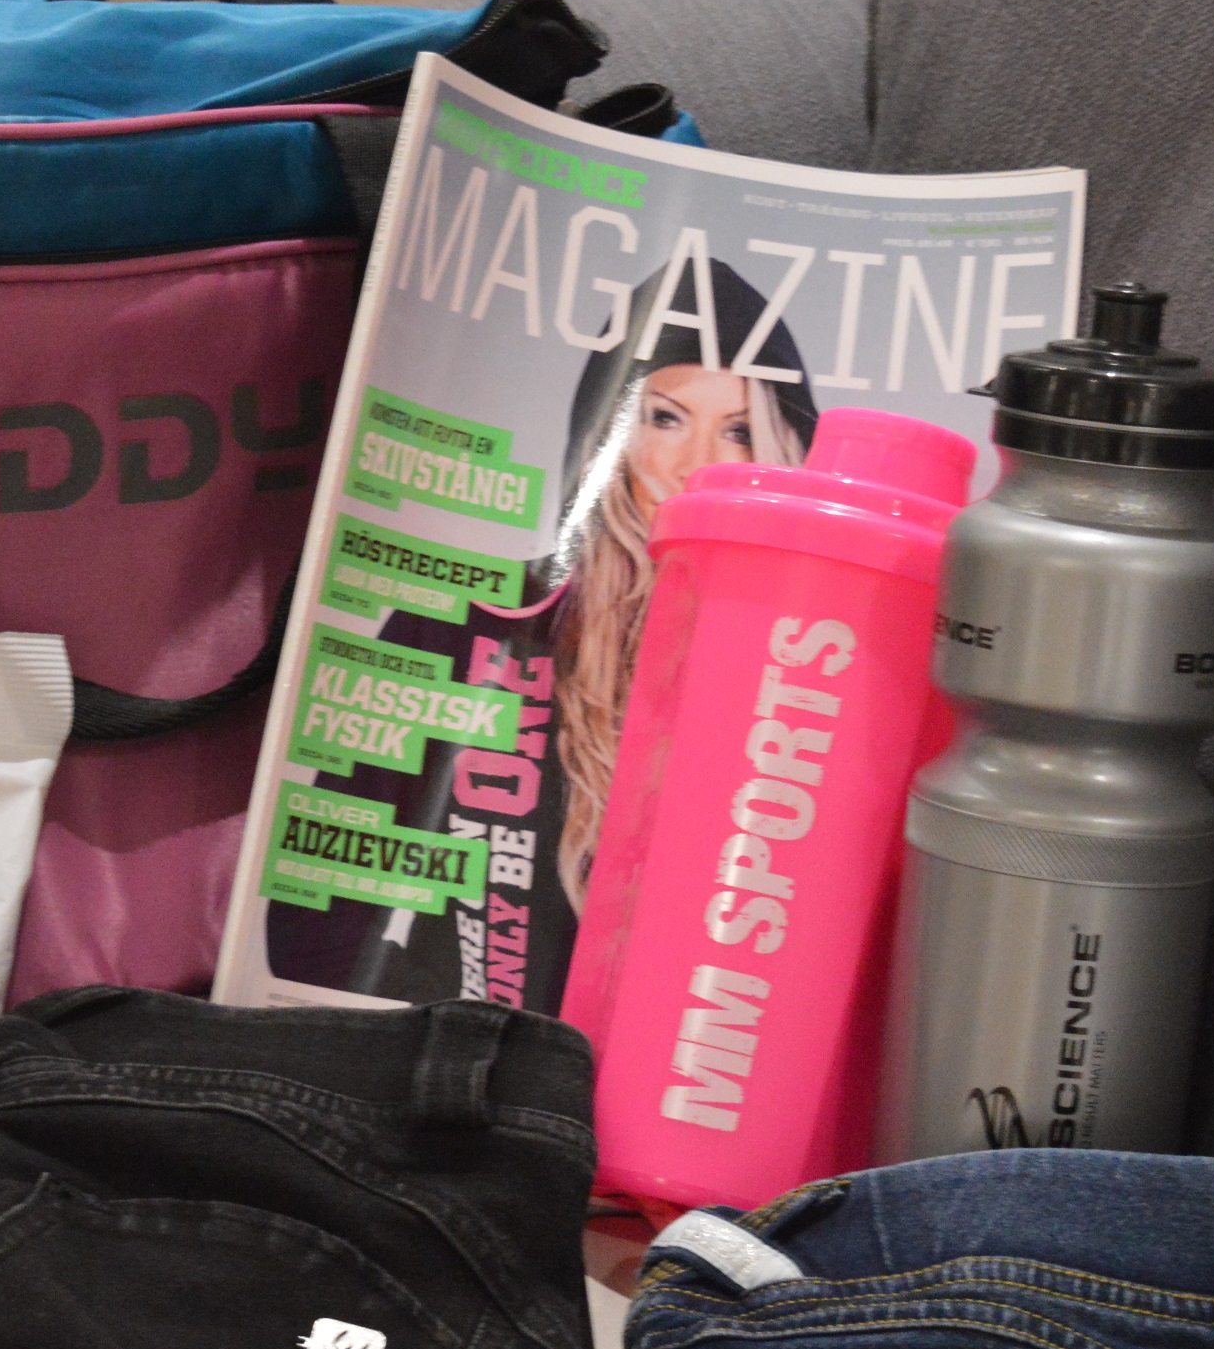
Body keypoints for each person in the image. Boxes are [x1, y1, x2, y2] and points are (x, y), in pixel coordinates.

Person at [264, 257, 817, 1010]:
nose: (698, 466)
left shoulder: (808, 674)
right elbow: (314, 910)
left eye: (741, 431)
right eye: (665, 417)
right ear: (611, 430)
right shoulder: (468, 619)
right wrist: (437, 1031)